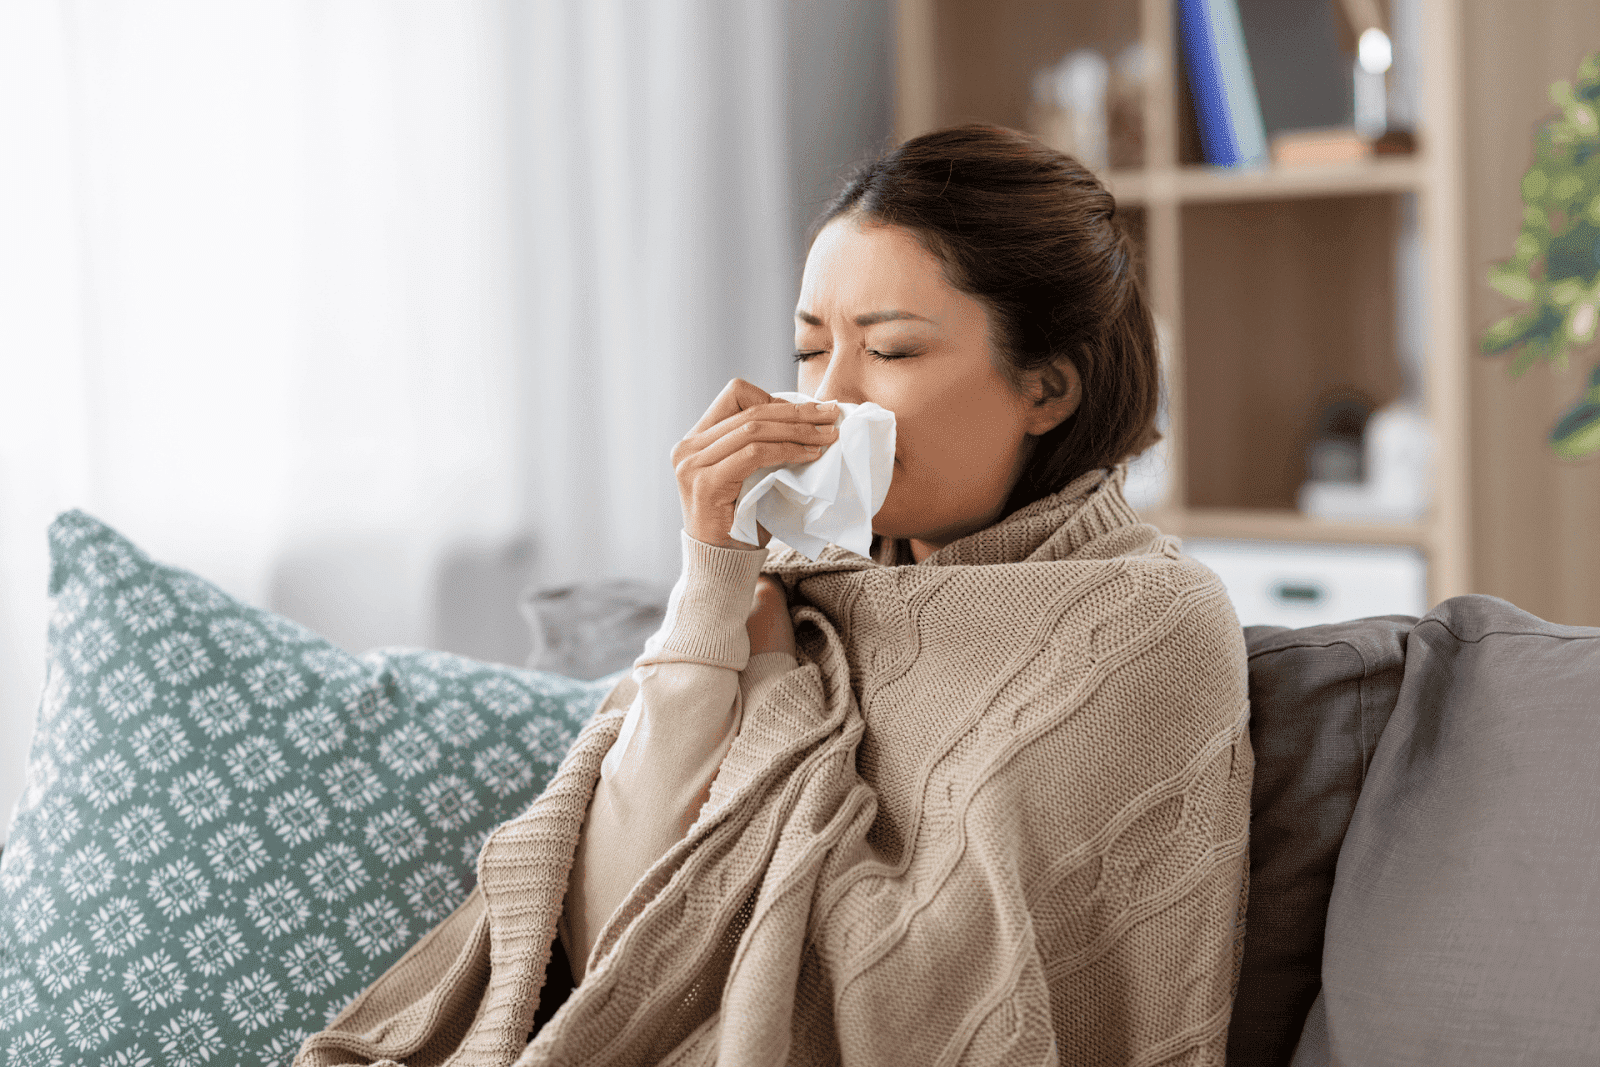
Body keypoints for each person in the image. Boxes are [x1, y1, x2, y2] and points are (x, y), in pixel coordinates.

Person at [295, 123, 1253, 1067]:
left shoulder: (1144, 623)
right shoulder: (791, 589)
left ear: (1047, 387)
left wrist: (773, 680)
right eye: (809, 350)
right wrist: (711, 592)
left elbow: (930, 998)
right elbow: (609, 937)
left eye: (892, 351)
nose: (826, 400)